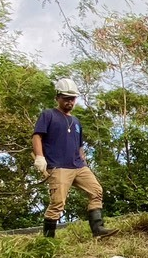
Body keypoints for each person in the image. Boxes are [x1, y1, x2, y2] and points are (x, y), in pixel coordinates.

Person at [32, 78, 114, 238]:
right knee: (57, 203)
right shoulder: (48, 115)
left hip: (78, 165)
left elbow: (79, 146)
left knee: (96, 191)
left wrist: (84, 163)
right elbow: (37, 136)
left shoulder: (76, 121)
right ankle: (47, 240)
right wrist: (40, 157)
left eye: (72, 98)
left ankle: (98, 229)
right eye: (66, 98)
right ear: (57, 97)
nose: (70, 101)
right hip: (58, 166)